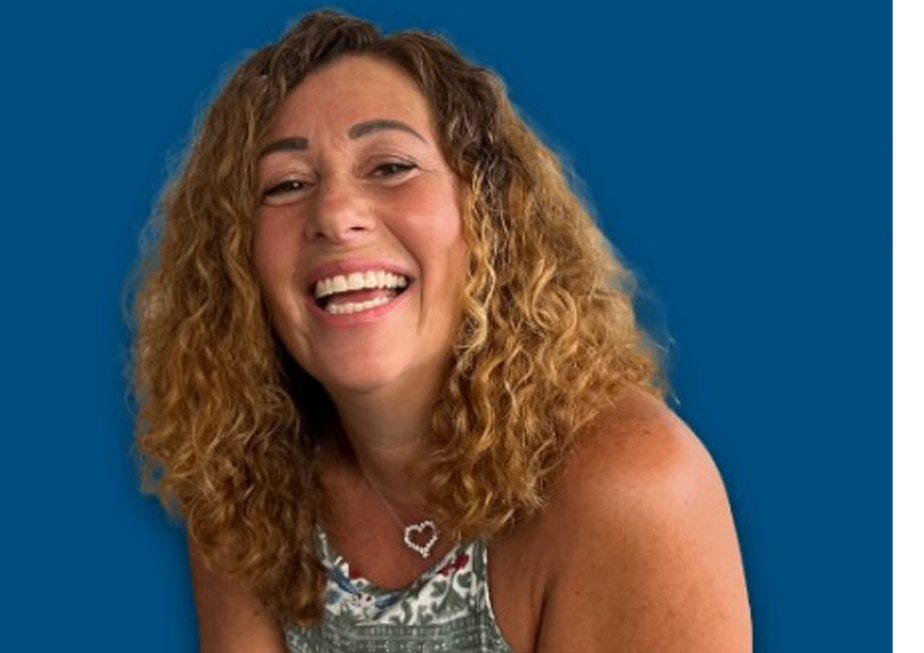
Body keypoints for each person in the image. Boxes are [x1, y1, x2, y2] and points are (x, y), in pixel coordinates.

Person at [131, 9, 751, 652]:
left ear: (489, 216)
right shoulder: (243, 481)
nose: (335, 215)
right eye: (287, 184)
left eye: (391, 167)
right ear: (238, 259)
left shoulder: (632, 488)